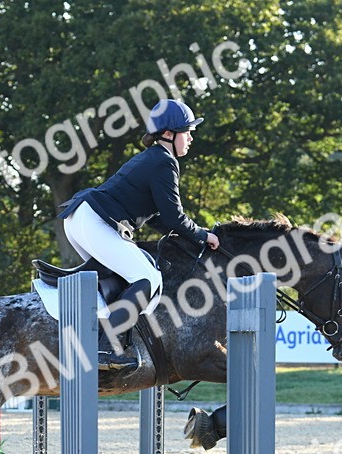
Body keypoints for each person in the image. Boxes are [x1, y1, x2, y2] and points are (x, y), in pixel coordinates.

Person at [56, 98, 220, 370]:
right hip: (93, 221)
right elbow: (174, 217)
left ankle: (106, 338)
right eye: (187, 131)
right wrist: (204, 236)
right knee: (146, 277)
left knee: (124, 276)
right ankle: (107, 348)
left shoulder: (154, 158)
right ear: (169, 134)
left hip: (80, 219)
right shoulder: (164, 162)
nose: (191, 137)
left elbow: (159, 218)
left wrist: (190, 235)